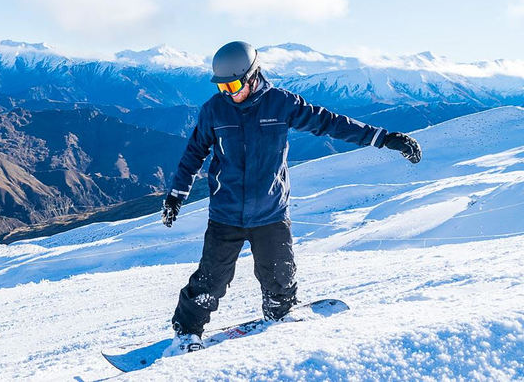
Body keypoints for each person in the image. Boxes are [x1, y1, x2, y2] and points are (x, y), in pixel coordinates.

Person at [161, 40, 422, 356]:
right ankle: (186, 334)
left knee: (280, 278)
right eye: (221, 87)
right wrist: (177, 194)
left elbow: (329, 122)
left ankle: (279, 312)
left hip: (270, 212)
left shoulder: (281, 104)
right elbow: (194, 152)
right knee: (209, 282)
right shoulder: (214, 110)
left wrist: (383, 139)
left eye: (233, 84)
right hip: (226, 213)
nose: (228, 93)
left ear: (252, 75)